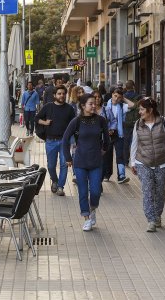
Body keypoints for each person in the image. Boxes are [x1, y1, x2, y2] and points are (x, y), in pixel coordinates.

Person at [130, 97, 165, 232]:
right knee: (147, 191)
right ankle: (151, 220)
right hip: (143, 162)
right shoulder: (138, 124)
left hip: (163, 164)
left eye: (142, 109)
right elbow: (134, 144)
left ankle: (157, 215)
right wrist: (132, 162)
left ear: (150, 110)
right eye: (139, 109)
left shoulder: (163, 122)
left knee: (159, 193)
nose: (140, 112)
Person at [62, 93, 110, 231]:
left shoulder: (101, 120)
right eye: (91, 103)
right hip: (80, 162)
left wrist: (104, 150)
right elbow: (65, 139)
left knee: (95, 191)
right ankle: (86, 218)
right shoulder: (76, 121)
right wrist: (68, 158)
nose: (94, 106)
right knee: (83, 192)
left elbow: (107, 139)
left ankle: (93, 208)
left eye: (95, 103)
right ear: (83, 106)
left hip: (96, 161)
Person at [36, 85, 75, 196]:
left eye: (63, 93)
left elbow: (74, 124)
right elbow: (37, 118)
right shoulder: (48, 107)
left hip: (64, 142)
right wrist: (45, 123)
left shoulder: (69, 109)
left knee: (64, 165)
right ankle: (55, 180)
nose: (62, 95)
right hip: (51, 141)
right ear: (54, 95)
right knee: (51, 166)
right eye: (59, 93)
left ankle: (60, 187)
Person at [104, 87, 136, 184]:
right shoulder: (105, 105)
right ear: (112, 94)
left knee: (120, 155)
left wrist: (124, 98)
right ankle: (107, 174)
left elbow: (133, 105)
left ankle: (121, 175)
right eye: (115, 96)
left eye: (119, 97)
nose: (116, 98)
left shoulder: (122, 106)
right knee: (107, 154)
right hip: (108, 132)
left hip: (119, 133)